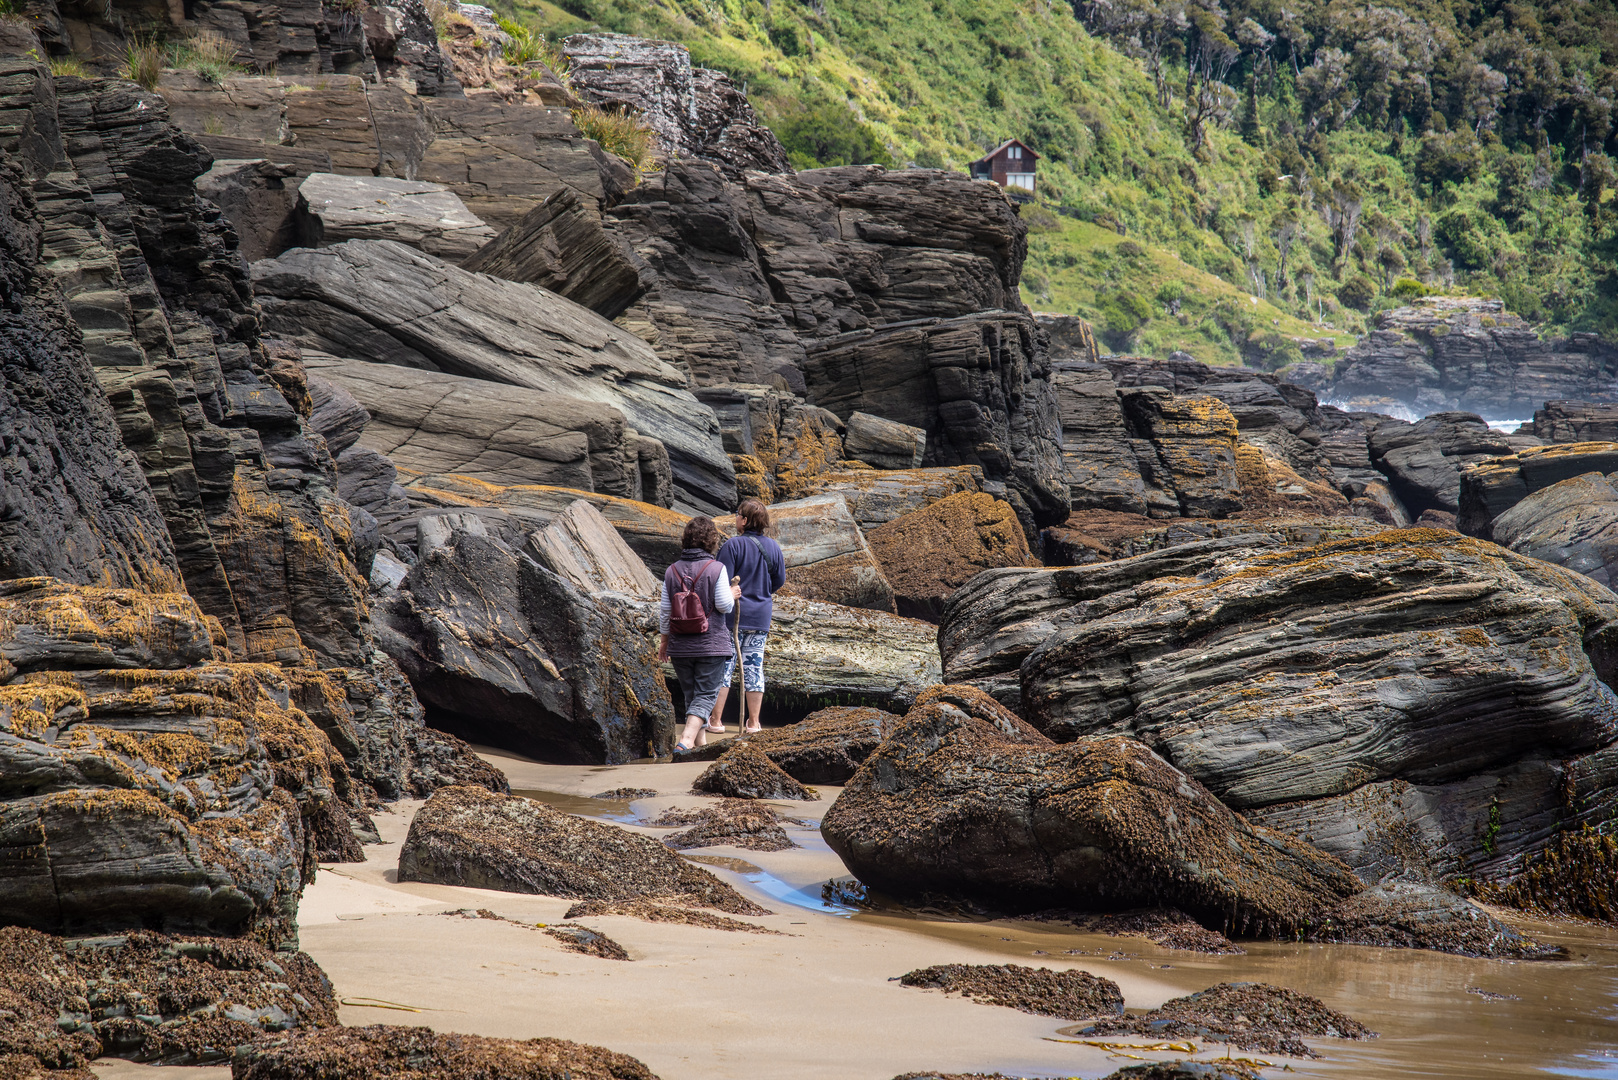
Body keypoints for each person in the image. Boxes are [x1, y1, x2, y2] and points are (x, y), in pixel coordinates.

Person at [658, 515, 742, 755]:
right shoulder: (717, 568)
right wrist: (732, 592)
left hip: (680, 646)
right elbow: (724, 606)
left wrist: (665, 641)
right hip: (711, 645)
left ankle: (700, 746)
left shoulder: (671, 570)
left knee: (692, 695)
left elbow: (665, 610)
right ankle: (685, 740)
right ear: (712, 541)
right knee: (705, 695)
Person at [709, 498, 786, 735]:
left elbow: (720, 583)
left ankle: (716, 720)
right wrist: (761, 593)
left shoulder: (732, 546)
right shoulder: (773, 547)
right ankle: (754, 723)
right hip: (761, 615)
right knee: (754, 667)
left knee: (725, 667)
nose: (735, 519)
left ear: (744, 520)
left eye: (737, 515)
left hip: (734, 616)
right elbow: (779, 580)